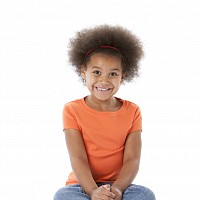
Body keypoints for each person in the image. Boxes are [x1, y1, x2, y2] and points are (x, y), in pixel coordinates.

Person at [54, 25, 155, 200]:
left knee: (145, 195)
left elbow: (132, 160)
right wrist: (93, 191)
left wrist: (116, 190)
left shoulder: (133, 111)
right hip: (82, 186)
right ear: (84, 73)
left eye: (113, 74)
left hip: (120, 185)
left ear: (122, 77)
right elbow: (78, 158)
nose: (104, 80)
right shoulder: (72, 110)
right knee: (62, 196)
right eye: (97, 72)